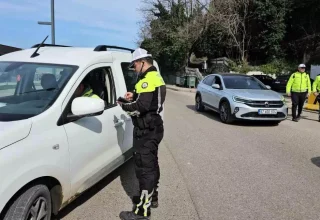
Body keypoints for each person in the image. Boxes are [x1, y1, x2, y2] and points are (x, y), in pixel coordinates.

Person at [118, 48, 166, 220]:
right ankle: (152, 197)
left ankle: (142, 211)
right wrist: (135, 95)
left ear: (142, 62)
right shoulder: (156, 77)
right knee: (152, 165)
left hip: (146, 131)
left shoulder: (146, 80)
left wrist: (123, 105)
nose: (134, 68)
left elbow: (141, 107)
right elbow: (149, 100)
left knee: (144, 170)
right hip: (155, 128)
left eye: (135, 64)